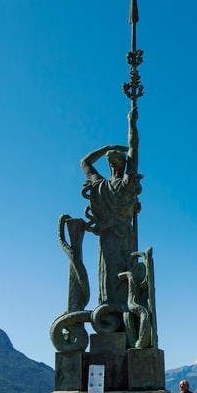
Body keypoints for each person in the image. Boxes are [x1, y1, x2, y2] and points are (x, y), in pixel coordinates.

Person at [80, 108, 142, 310]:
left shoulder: (99, 185)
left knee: (108, 277)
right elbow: (134, 148)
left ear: (109, 165)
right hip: (124, 237)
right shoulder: (127, 184)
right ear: (124, 165)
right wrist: (131, 123)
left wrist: (107, 146)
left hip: (107, 239)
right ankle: (124, 310)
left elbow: (85, 162)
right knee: (127, 276)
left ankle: (110, 309)